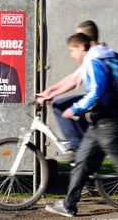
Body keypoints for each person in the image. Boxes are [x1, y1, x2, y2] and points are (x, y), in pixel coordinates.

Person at [44, 33, 118, 220]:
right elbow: (78, 82)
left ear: (82, 47)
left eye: (72, 50)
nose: (71, 55)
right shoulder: (97, 58)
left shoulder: (95, 61)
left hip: (106, 122)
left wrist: (74, 109)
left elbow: (96, 92)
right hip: (97, 122)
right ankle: (69, 205)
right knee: (81, 162)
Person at [37, 20, 106, 158]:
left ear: (84, 40)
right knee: (80, 122)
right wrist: (50, 91)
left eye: (77, 35)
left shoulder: (94, 56)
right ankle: (85, 151)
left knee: (59, 106)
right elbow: (74, 77)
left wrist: (53, 94)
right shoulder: (96, 52)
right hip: (99, 98)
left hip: (99, 99)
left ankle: (77, 148)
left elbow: (75, 80)